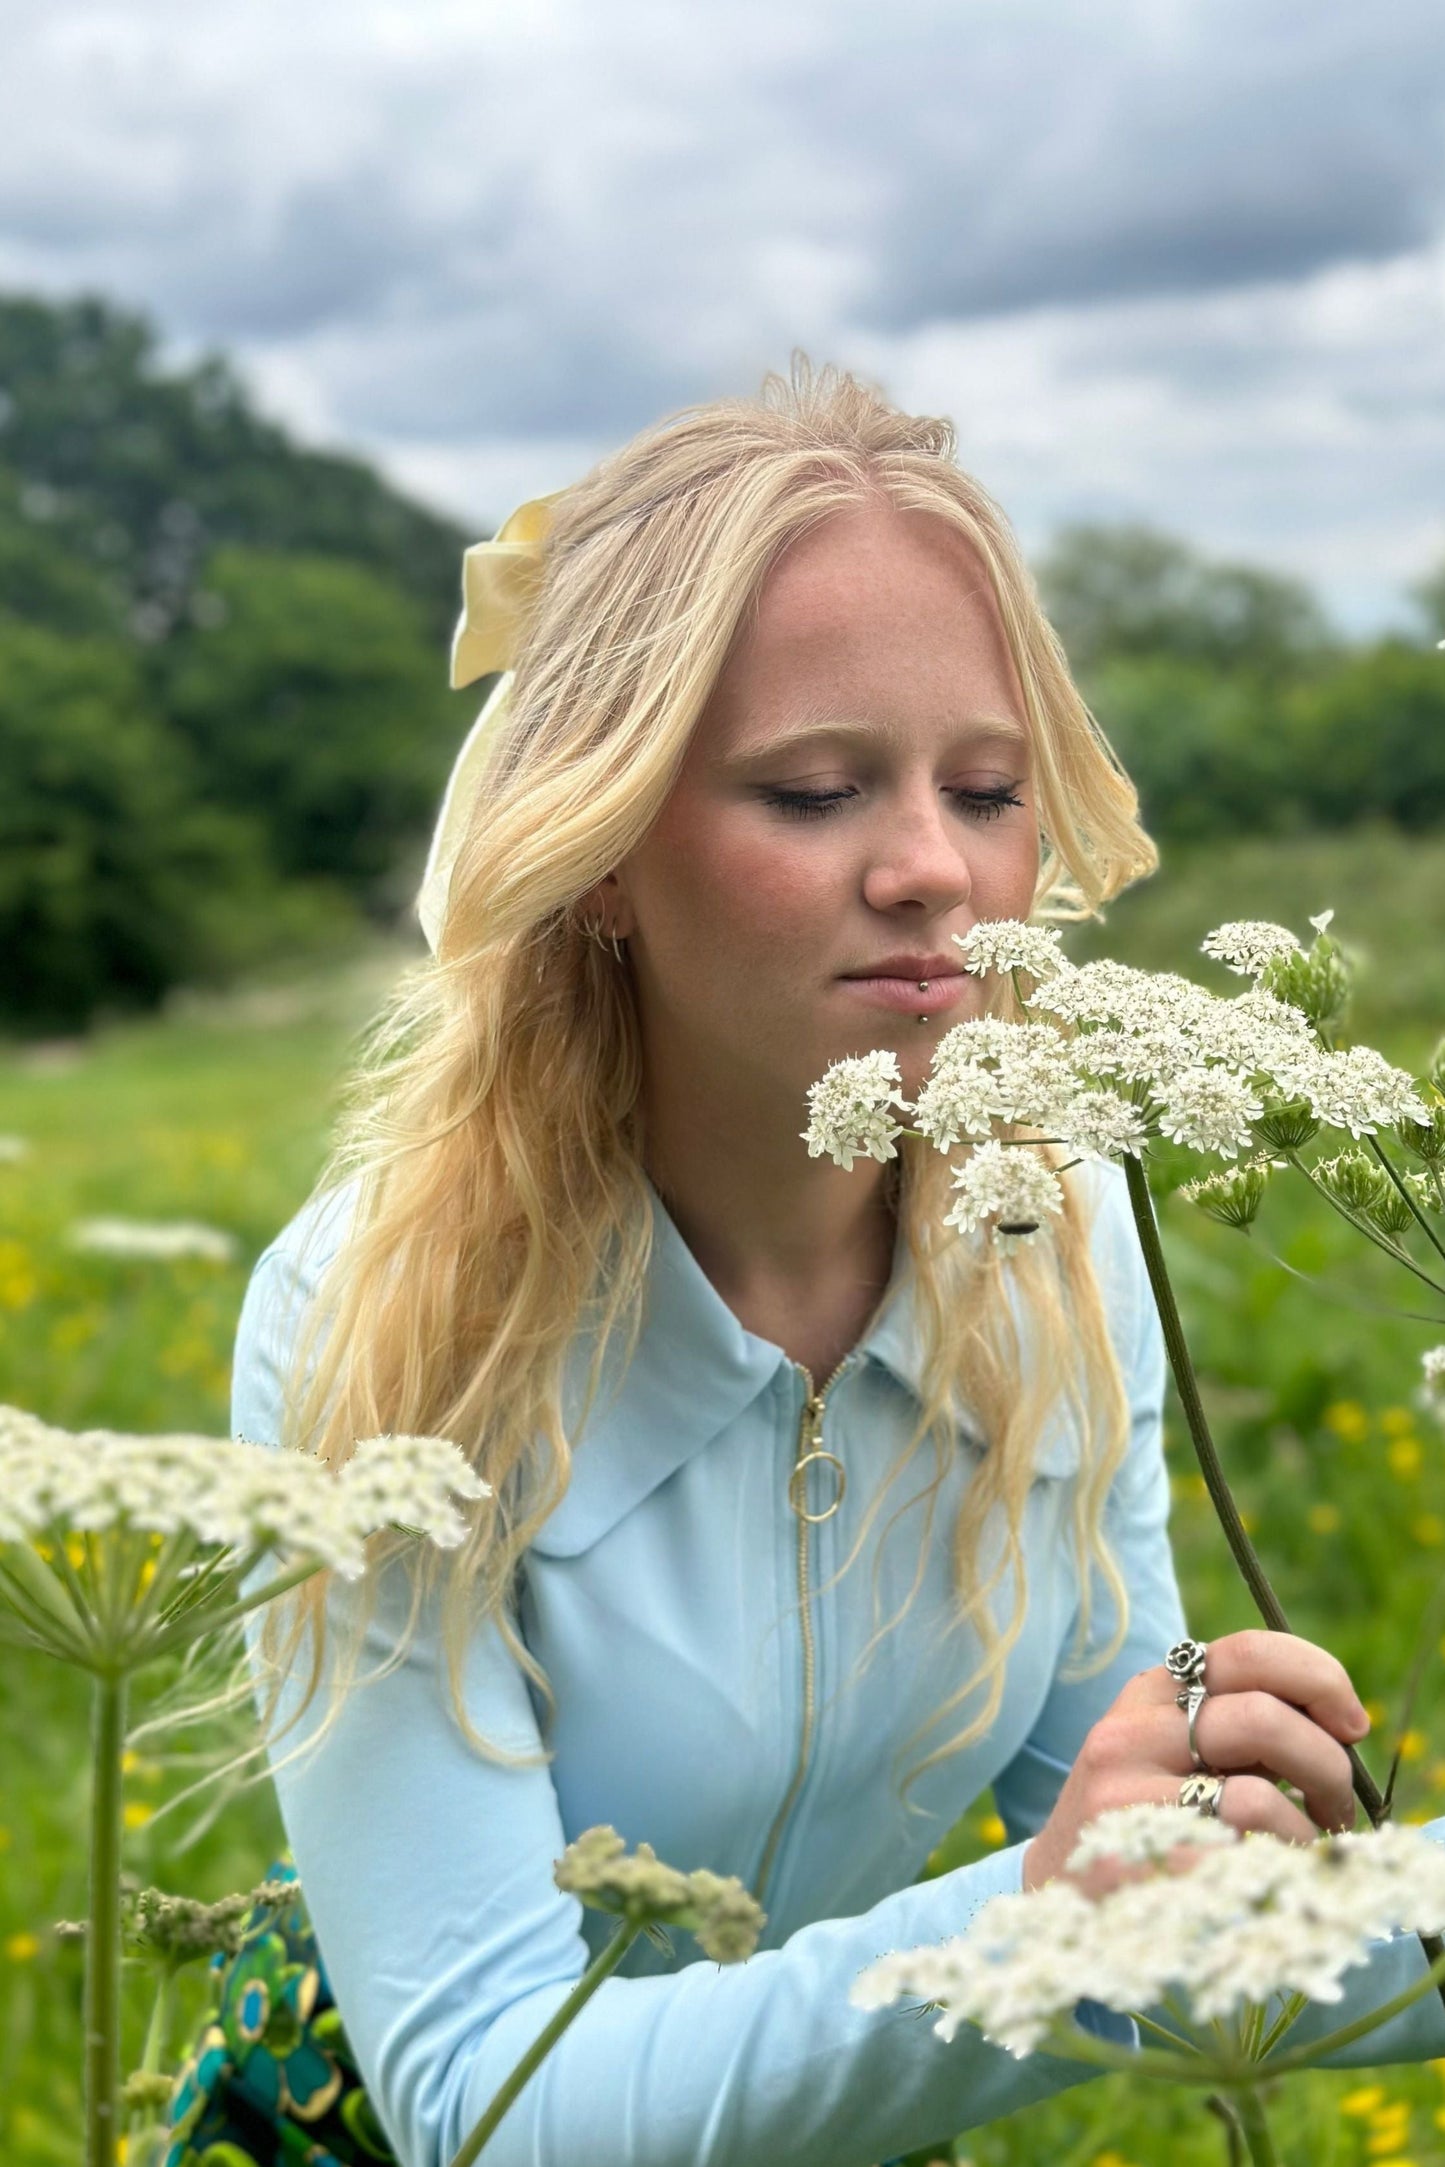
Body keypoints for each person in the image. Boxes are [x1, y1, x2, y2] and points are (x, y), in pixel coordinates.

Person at [202, 357, 1445, 2167]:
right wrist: (1042, 1926)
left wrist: (1270, 1877)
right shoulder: (377, 1318)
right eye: (812, 793)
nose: (935, 869)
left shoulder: (1060, 1234)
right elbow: (484, 2101)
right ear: (603, 848)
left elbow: (1163, 1882)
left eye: (992, 788)